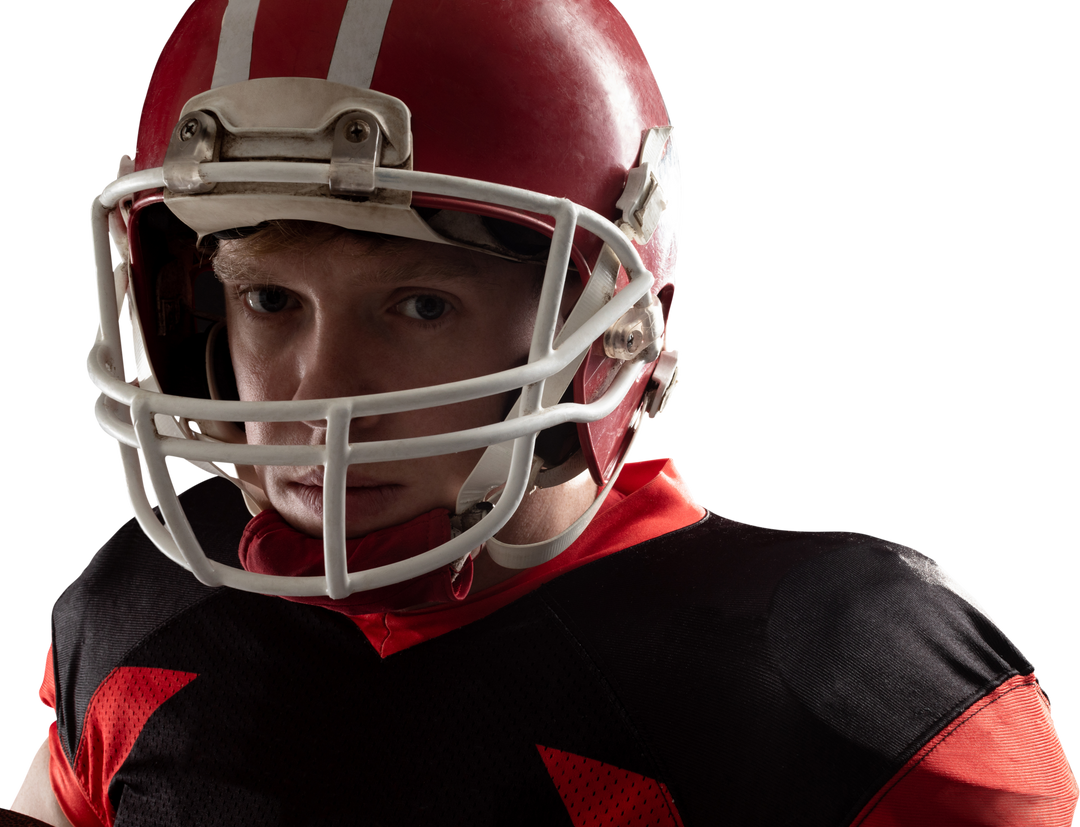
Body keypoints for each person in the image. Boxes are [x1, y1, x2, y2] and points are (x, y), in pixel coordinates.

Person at [7, 1, 1078, 825]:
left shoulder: (832, 672)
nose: (316, 387)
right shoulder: (143, 606)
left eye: (419, 304)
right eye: (270, 298)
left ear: (601, 323)